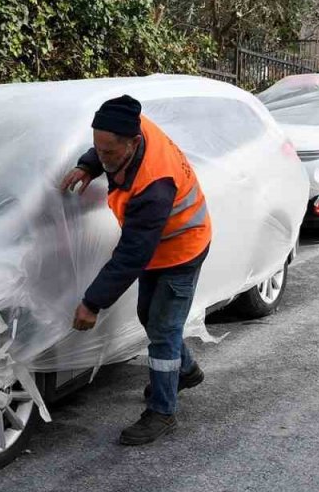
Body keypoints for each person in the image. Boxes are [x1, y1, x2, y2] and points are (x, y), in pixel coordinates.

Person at [60, 95, 212, 446]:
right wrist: (88, 165)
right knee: (150, 315)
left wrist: (92, 303)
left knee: (162, 328)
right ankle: (185, 371)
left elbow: (131, 255)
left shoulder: (154, 185)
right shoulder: (129, 123)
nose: (104, 156)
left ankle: (162, 412)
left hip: (182, 247)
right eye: (99, 148)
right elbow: (104, 146)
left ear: (133, 143)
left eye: (110, 153)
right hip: (157, 247)